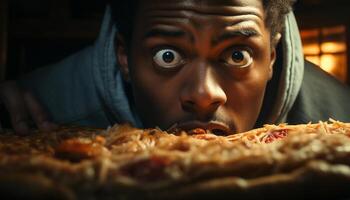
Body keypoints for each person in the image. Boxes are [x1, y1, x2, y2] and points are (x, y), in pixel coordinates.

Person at [1, 0, 350, 135]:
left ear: (271, 56)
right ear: (124, 56)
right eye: (167, 56)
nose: (203, 95)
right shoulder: (37, 113)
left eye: (237, 55)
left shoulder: (342, 123)